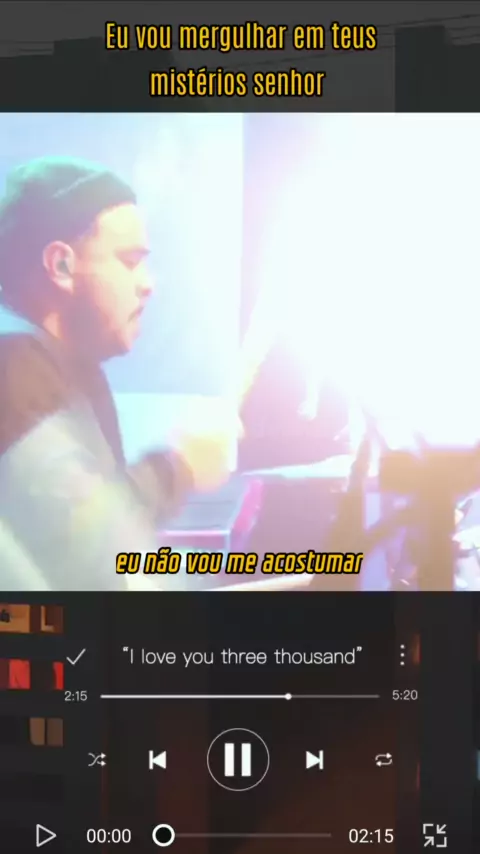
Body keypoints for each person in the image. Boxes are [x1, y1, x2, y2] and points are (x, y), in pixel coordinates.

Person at [0, 156, 236, 590]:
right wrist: (180, 467)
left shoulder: (70, 368)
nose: (148, 284)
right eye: (129, 261)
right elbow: (88, 546)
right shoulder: (12, 364)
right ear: (61, 265)